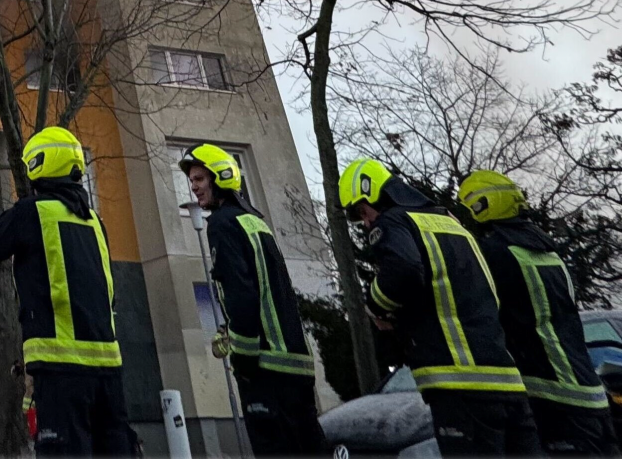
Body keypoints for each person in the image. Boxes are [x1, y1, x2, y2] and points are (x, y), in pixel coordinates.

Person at [343, 156, 541, 458]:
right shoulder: (452, 223)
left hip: (459, 384)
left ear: (373, 193)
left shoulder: (394, 221)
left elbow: (404, 271)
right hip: (507, 383)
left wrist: (376, 307)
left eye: (363, 211)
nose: (367, 222)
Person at [0, 126, 135, 456]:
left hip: (60, 370)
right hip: (109, 370)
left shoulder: (31, 213)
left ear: (39, 165)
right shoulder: (96, 222)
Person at [457, 170, 618, 456]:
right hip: (589, 391)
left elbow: (474, 312)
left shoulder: (494, 253)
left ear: (482, 206)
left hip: (550, 395)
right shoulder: (548, 250)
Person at [181, 143, 327, 456]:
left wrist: (242, 355)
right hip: (296, 365)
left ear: (219, 178)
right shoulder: (255, 222)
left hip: (266, 368)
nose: (194, 187)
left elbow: (241, 292)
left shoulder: (221, 223)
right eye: (192, 181)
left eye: (199, 180)